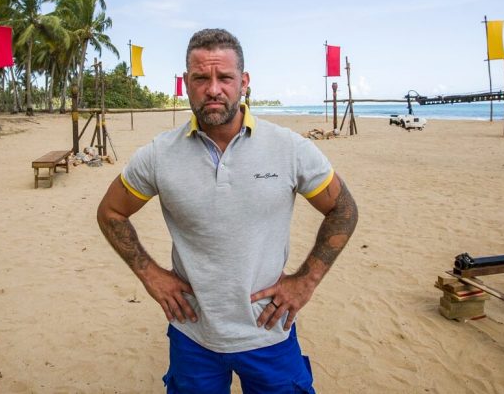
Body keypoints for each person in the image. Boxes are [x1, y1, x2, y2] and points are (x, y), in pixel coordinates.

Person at [97, 28, 358, 393]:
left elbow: (343, 208)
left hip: (269, 332)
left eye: (225, 77)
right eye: (201, 79)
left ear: (244, 82)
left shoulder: (288, 149)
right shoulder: (160, 155)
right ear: (187, 83)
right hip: (193, 335)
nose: (213, 89)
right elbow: (110, 211)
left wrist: (305, 281)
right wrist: (151, 275)